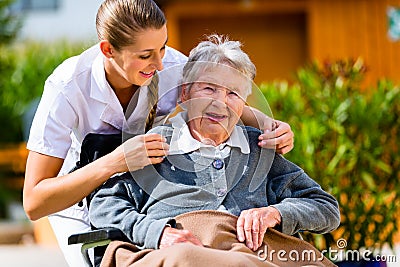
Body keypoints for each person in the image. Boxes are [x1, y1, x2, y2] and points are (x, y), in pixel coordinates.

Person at [23, 0, 294, 266]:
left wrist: (272, 126)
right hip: (82, 200)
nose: (160, 65)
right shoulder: (67, 87)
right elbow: (34, 202)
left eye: (162, 48)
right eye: (145, 56)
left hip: (145, 199)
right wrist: (117, 160)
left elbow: (223, 101)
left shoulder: (174, 67)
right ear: (108, 50)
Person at [89, 35, 340, 267]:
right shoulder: (155, 146)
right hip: (186, 255)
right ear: (185, 94)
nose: (220, 102)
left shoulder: (258, 149)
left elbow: (326, 208)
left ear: (243, 104)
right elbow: (103, 205)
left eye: (233, 93)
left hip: (258, 255)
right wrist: (157, 233)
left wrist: (275, 213)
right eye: (209, 88)